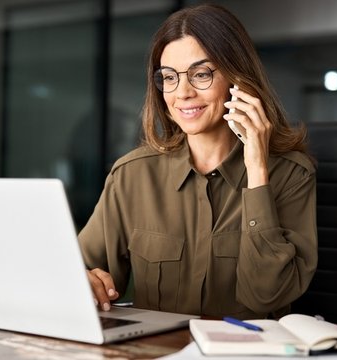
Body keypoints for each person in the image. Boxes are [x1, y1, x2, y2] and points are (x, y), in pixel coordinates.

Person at [78, 3, 317, 319]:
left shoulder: (291, 174)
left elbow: (265, 295)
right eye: (169, 77)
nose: (183, 93)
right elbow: (82, 268)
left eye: (201, 74)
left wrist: (257, 169)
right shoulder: (132, 175)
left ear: (238, 77)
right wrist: (84, 280)